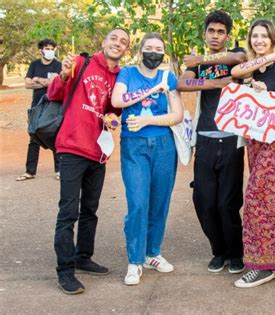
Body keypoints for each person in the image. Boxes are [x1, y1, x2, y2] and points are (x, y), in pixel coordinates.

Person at [48, 28, 130, 294]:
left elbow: (114, 111)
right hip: (72, 147)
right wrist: (63, 74)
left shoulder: (119, 76)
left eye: (124, 42)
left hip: (99, 151)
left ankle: (83, 257)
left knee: (90, 210)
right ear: (104, 42)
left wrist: (113, 119)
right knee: (68, 212)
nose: (118, 44)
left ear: (126, 50)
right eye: (114, 38)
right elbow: (54, 94)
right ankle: (65, 270)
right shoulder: (81, 63)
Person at [229, 19, 275, 288]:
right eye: (255, 36)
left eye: (264, 36)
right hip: (257, 136)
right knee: (270, 197)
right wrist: (264, 60)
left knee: (260, 196)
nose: (259, 40)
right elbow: (237, 70)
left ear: (273, 37)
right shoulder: (253, 64)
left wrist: (268, 92)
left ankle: (262, 266)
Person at [176, 10, 247, 274]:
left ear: (227, 35)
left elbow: (239, 58)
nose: (215, 35)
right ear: (204, 34)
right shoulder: (196, 63)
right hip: (204, 139)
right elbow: (183, 84)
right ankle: (218, 251)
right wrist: (217, 82)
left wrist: (202, 63)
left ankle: (235, 253)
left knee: (227, 203)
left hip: (231, 140)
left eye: (220, 32)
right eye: (211, 31)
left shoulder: (234, 55)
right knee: (204, 201)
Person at [111, 32, 184, 286]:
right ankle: (134, 260)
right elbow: (117, 100)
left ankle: (152, 253)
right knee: (138, 203)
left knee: (160, 202)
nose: (154, 52)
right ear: (141, 51)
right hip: (134, 145)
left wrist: (148, 119)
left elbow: (176, 115)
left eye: (159, 48)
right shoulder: (128, 74)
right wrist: (152, 91)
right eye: (149, 47)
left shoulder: (168, 77)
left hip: (164, 145)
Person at [17, 39, 62, 181]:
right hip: (36, 105)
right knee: (33, 135)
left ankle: (59, 170)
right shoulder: (34, 64)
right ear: (41, 50)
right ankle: (30, 171)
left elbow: (57, 83)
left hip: (53, 106)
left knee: (55, 135)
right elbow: (27, 84)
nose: (50, 51)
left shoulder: (58, 65)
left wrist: (37, 79)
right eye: (47, 48)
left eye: (52, 48)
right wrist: (46, 82)